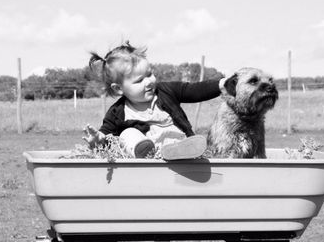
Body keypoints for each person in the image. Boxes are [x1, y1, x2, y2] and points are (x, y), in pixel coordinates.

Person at [83, 41, 223, 160]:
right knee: (126, 134)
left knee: (181, 142)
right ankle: (146, 151)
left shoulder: (166, 91)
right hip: (149, 159)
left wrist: (221, 84)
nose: (149, 82)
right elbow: (107, 137)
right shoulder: (117, 112)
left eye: (149, 74)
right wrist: (99, 139)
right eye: (139, 80)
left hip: (181, 150)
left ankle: (183, 150)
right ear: (119, 89)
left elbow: (194, 90)